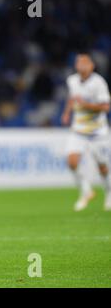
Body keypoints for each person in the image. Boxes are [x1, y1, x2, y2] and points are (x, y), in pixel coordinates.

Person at [62, 53, 111, 211]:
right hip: (79, 129)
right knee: (71, 161)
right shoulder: (72, 80)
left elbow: (105, 107)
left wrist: (86, 105)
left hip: (98, 131)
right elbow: (72, 98)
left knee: (102, 165)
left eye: (85, 63)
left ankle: (109, 193)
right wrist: (67, 112)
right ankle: (86, 191)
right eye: (79, 63)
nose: (81, 66)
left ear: (92, 66)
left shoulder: (99, 83)